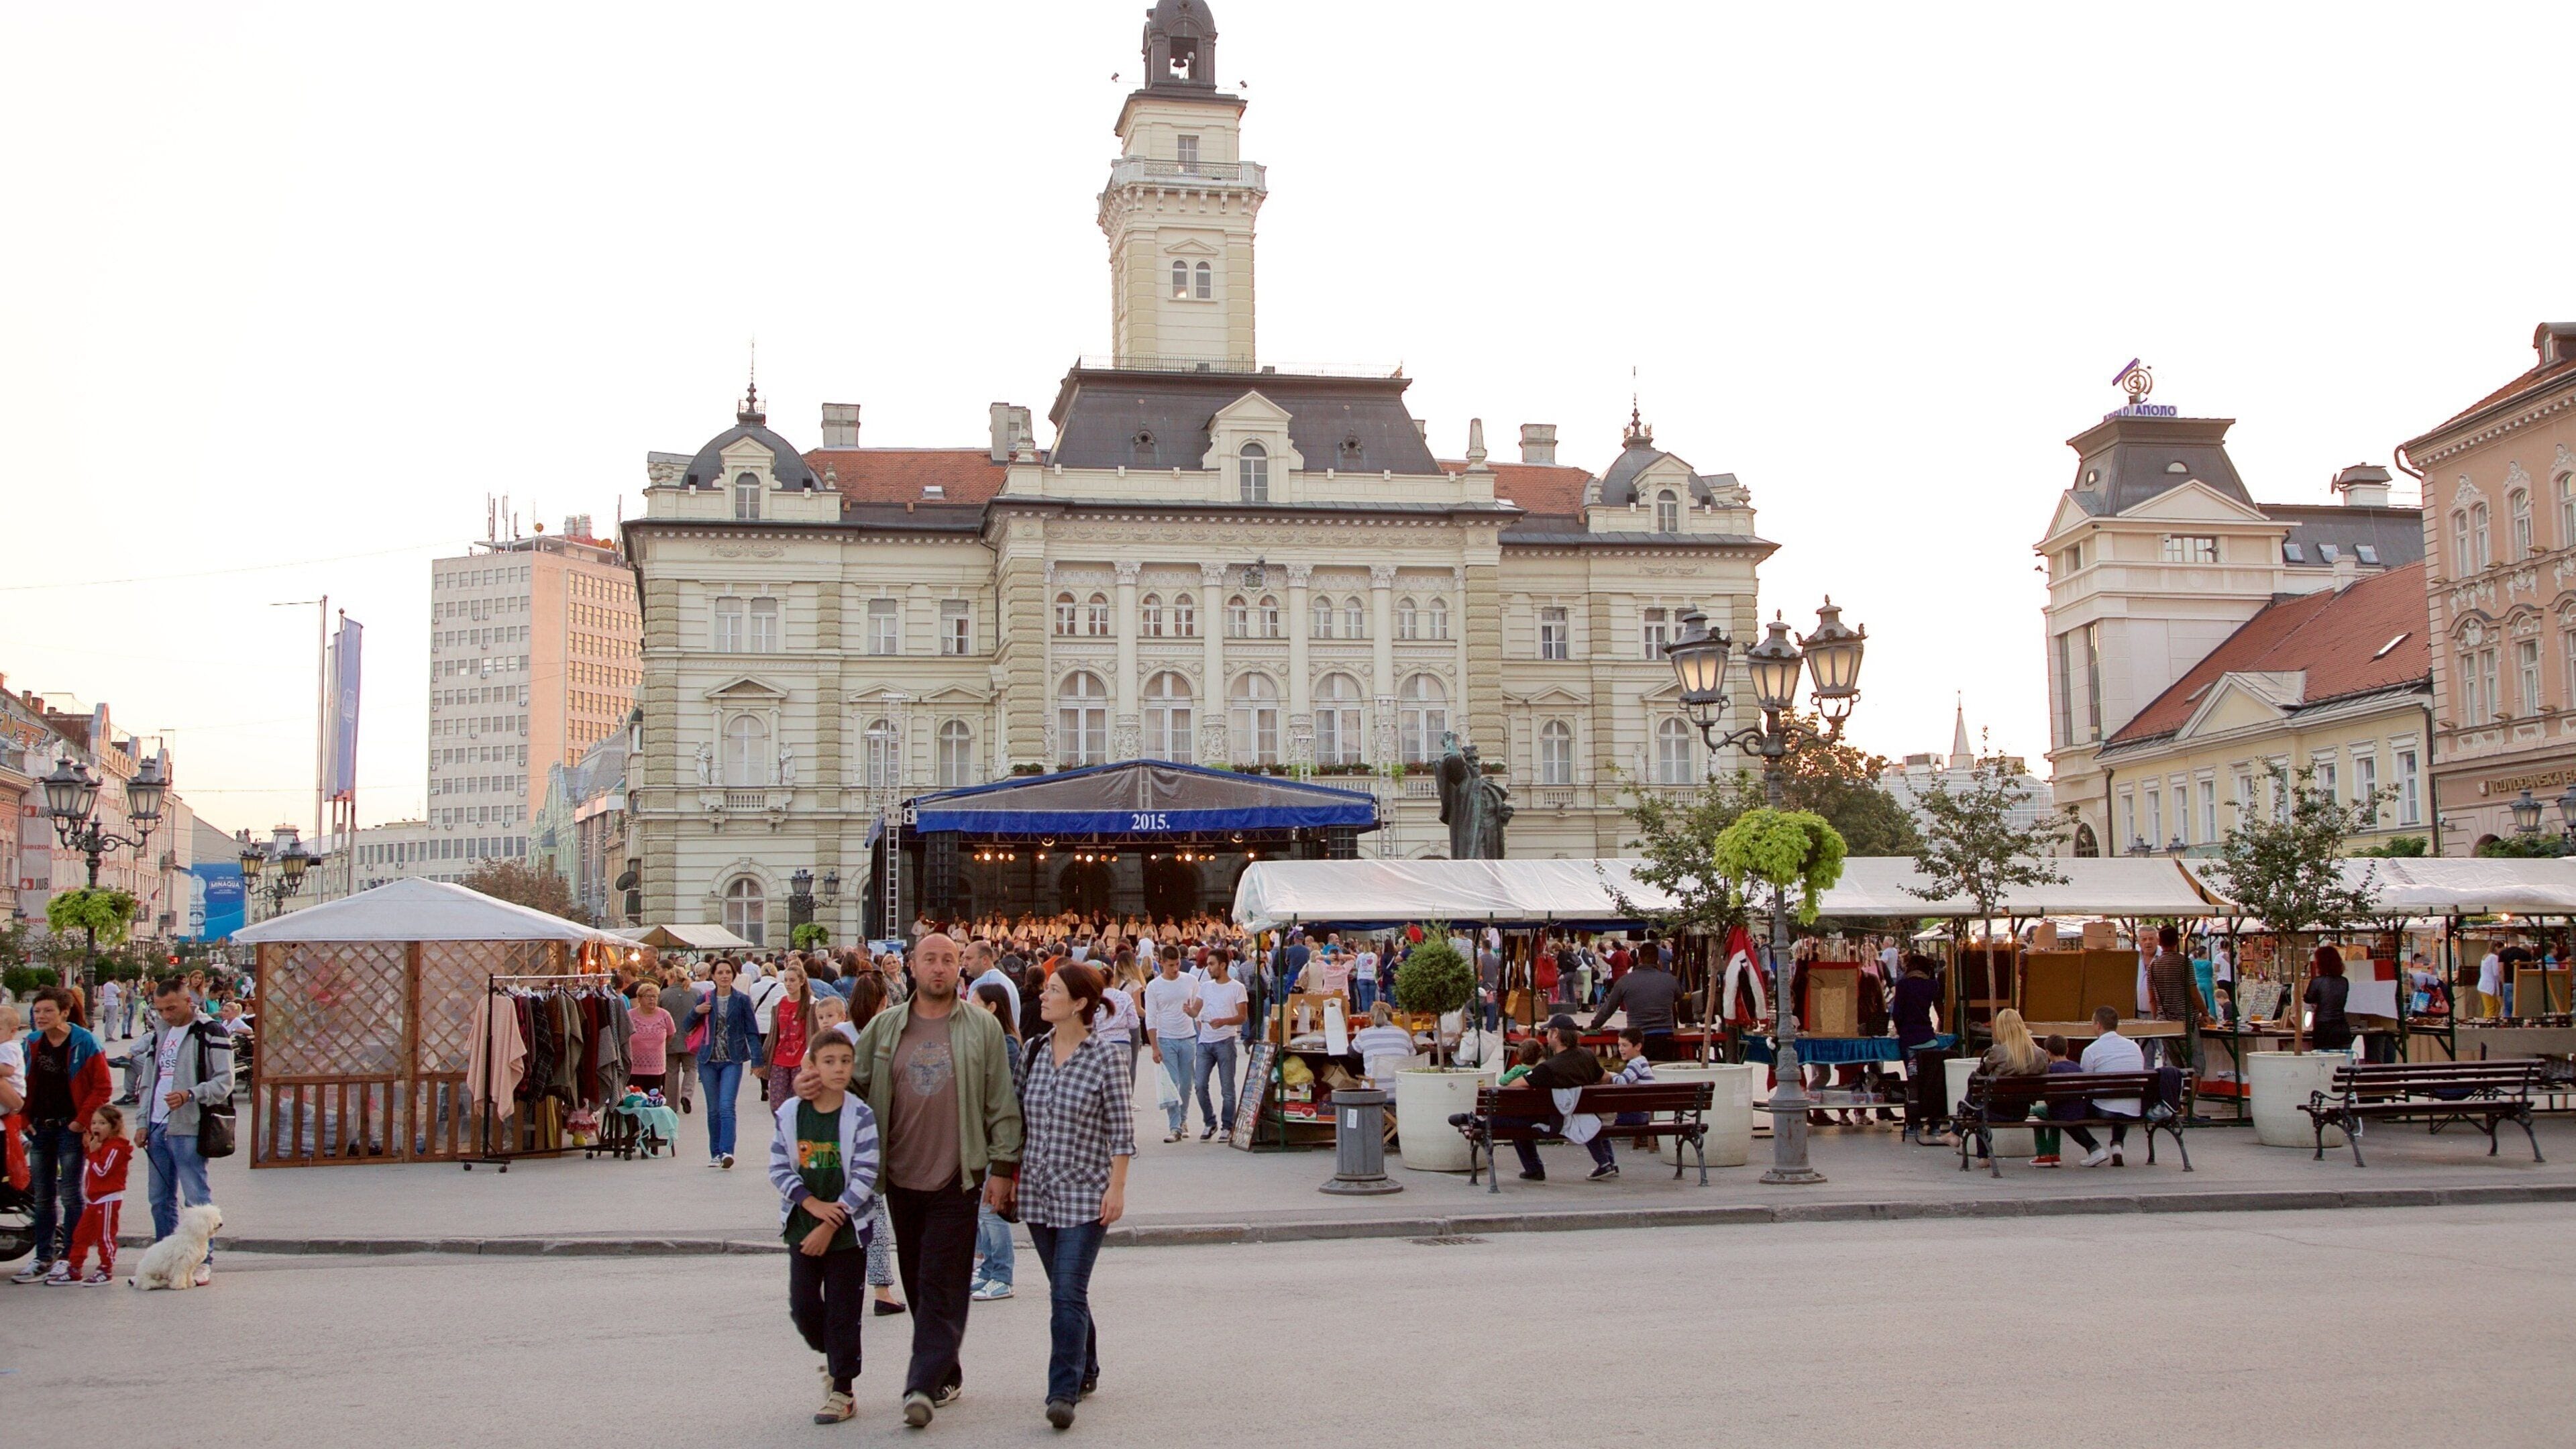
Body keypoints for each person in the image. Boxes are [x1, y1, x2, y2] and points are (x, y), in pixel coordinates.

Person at [811, 932, 1025, 1430]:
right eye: (929, 959)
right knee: (918, 1282)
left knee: (941, 1281)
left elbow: (1001, 1103)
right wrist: (816, 1085)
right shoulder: (885, 1028)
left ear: (960, 969)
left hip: (959, 1175)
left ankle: (921, 1384)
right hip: (900, 1176)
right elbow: (855, 1087)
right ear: (911, 966)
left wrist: (1002, 1168)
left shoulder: (982, 1028)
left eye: (949, 960)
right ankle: (945, 1369)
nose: (939, 968)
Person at [1015, 963, 1134, 1430]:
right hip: (1039, 1194)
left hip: (1086, 1195)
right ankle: (1087, 1366)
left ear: (1080, 1003)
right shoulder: (1033, 1052)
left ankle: (1061, 1391)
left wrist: (1117, 1189)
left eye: (1054, 991)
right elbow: (1017, 1119)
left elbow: (1122, 1133)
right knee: (1067, 1292)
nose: (1044, 997)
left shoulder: (1106, 1057)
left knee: (1066, 1292)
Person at [771, 1030, 881, 1425]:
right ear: (812, 1066)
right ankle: (834, 1358)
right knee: (803, 1307)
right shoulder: (791, 1114)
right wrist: (811, 1205)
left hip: (848, 1233)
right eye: (829, 1061)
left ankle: (843, 1389)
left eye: (845, 1061)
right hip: (802, 1226)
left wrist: (833, 1219)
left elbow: (867, 1173)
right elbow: (779, 1166)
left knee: (843, 1311)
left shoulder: (860, 1115)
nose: (838, 1069)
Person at [133, 977, 234, 1283]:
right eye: (160, 1009)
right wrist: (141, 1122)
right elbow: (148, 1081)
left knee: (196, 1196)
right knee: (159, 1197)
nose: (166, 1015)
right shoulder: (159, 1035)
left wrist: (191, 1094)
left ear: (188, 1001)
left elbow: (224, 1081)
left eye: (171, 1008)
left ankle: (202, 1260)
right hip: (156, 1124)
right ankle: (168, 1257)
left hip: (188, 1124)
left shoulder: (210, 1032)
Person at [12, 988, 111, 1285]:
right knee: (42, 1196)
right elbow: (20, 1083)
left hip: (70, 1128)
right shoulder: (30, 1043)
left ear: (65, 1012)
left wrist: (81, 1123)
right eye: (37, 1011)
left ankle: (71, 1258)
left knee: (70, 1195)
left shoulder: (84, 1042)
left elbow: (102, 1087)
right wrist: (24, 1118)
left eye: (47, 1011)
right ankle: (44, 1257)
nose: (40, 1017)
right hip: (39, 1127)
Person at [1495, 1016, 1615, 1182]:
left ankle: (1533, 1168)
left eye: (1548, 1032)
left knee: (1517, 1119)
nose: (1547, 1036)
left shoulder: (1548, 1068)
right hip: (1586, 1118)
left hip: (1556, 1122)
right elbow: (1606, 1078)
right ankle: (1607, 1161)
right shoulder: (1588, 1056)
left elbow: (1514, 1086)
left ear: (1556, 1034)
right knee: (1586, 1115)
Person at [968, 981, 1019, 1303]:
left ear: (991, 1008)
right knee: (982, 1209)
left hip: (996, 1138)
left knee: (990, 1210)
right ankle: (988, 1269)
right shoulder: (987, 1039)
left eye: (975, 1003)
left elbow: (1003, 1096)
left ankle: (1002, 1273)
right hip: (982, 1136)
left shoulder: (1006, 1044)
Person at [692, 959, 764, 1169]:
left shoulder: (741, 1000)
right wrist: (697, 1011)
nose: (724, 976)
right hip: (707, 1060)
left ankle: (727, 1152)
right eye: (720, 972)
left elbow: (752, 1031)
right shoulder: (704, 998)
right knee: (713, 1109)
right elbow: (687, 1026)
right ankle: (714, 1153)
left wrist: (757, 1061)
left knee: (726, 1106)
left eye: (728, 972)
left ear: (733, 976)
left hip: (732, 1060)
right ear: (713, 976)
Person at [58, 1102, 132, 1285]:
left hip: (108, 1198)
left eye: (102, 1123)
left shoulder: (116, 1147)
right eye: (94, 1123)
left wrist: (92, 1154)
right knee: (81, 1234)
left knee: (105, 1236)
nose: (96, 1127)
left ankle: (106, 1269)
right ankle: (75, 1267)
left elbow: (102, 1171)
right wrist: (91, 1150)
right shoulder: (101, 1145)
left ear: (114, 1127)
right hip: (94, 1199)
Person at [1966, 1008, 2051, 1166]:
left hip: (1994, 1112)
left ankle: (1982, 1155)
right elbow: (2045, 1078)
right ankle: (1956, 1133)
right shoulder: (2039, 1054)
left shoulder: (1998, 1052)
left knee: (1976, 1092)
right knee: (1978, 1097)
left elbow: (1980, 1075)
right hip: (2021, 1112)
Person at [2068, 1006, 2143, 1167]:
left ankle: (2094, 1149)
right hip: (2133, 1109)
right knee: (2121, 1098)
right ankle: (2117, 1146)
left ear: (2098, 1025)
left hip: (2105, 1109)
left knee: (2066, 1111)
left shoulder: (2091, 1050)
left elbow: (2085, 1085)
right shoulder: (2134, 1047)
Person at [1588, 946, 1687, 1061]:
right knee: (1662, 1072)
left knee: (1639, 1073)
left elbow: (1608, 1009)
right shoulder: (1670, 980)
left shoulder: (1624, 981)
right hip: (1665, 1036)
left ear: (1639, 959)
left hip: (1637, 1038)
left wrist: (1594, 1026)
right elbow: (1680, 997)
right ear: (1658, 959)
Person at [1142, 948, 1200, 1143]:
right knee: (1172, 1083)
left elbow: (1198, 1008)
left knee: (1186, 1084)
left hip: (1188, 1036)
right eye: (1171, 965)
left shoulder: (1190, 981)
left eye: (1177, 965)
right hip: (1166, 1038)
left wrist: (1193, 1013)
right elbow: (1150, 1017)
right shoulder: (1154, 986)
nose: (1175, 969)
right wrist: (1154, 1046)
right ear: (1162, 963)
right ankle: (1174, 1126)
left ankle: (1183, 1120)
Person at [1191, 951, 1249, 1141]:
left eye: (1211, 964)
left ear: (1223, 965)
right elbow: (1196, 1010)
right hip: (1205, 1042)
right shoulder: (1205, 987)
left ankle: (1228, 1125)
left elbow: (1243, 1017)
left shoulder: (1237, 988)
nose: (1208, 967)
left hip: (1225, 1040)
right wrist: (1189, 1011)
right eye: (1208, 964)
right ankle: (1210, 1122)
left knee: (1227, 1087)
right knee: (1199, 1084)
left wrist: (1224, 1021)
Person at [767, 963, 821, 1110]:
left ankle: (797, 1131)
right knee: (776, 1104)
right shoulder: (779, 1003)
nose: (788, 984)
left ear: (802, 982)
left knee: (800, 1103)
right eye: (786, 980)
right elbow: (773, 1034)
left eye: (792, 980)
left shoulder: (812, 1004)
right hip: (780, 1060)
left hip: (801, 1061)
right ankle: (784, 1130)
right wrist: (764, 1059)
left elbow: (817, 1032)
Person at [659, 967, 701, 1112]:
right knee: (691, 1069)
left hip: (670, 1039)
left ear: (671, 978)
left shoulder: (663, 994)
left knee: (671, 1072)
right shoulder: (696, 993)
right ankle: (687, 1095)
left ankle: (672, 1104)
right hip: (691, 1038)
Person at [1350, 1002, 1419, 1091]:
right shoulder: (1403, 1034)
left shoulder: (1364, 1034)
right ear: (1392, 1017)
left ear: (1371, 1018)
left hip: (1375, 1093)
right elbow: (1412, 1056)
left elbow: (1352, 1054)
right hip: (1402, 1092)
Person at [626, 981, 678, 1097]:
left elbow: (670, 1035)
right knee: (635, 1102)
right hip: (635, 1069)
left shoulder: (665, 1015)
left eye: (655, 997)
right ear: (639, 999)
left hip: (657, 1069)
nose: (652, 1000)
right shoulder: (630, 1016)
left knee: (653, 1102)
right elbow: (622, 1037)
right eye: (648, 997)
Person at [2306, 945, 2355, 1053]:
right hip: (2342, 1026)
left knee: (2324, 1061)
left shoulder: (2317, 982)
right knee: (2343, 1060)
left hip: (2323, 1027)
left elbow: (2308, 999)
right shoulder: (2344, 981)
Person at [2477, 945, 2505, 1020]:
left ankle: (2486, 1022)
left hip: (2483, 985)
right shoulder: (2494, 957)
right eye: (2502, 949)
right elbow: (2496, 973)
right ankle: (2488, 1025)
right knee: (2491, 1009)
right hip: (2489, 986)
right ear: (2497, 948)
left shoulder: (2485, 956)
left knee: (2489, 1009)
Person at [95, 978, 125, 1042]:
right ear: (114, 979)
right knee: (113, 1021)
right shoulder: (114, 986)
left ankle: (107, 1035)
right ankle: (109, 1036)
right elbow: (120, 995)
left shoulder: (105, 985)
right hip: (113, 1004)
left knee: (108, 1021)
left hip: (106, 1003)